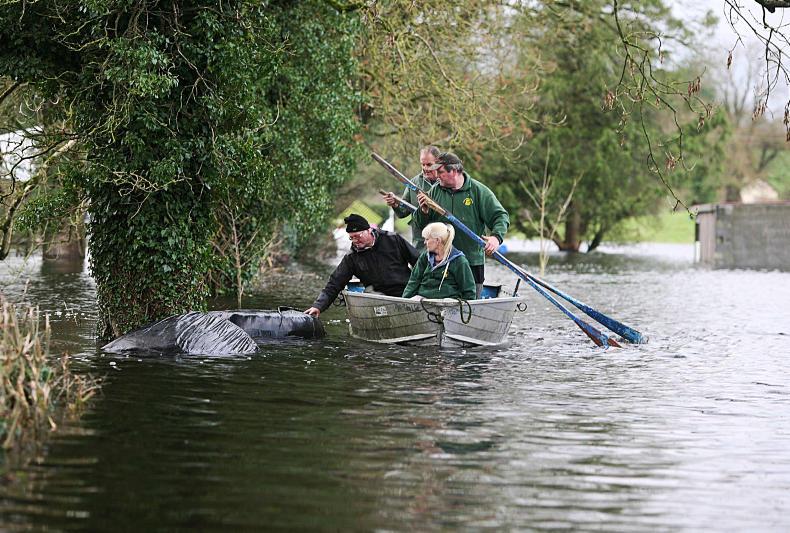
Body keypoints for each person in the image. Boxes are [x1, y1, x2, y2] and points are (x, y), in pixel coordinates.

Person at [414, 152, 509, 296]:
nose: (436, 176)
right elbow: (422, 225)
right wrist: (423, 211)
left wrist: (496, 238)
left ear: (454, 171)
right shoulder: (434, 192)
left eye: (440, 172)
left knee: (471, 304)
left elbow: (500, 216)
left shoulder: (478, 191)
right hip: (442, 262)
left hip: (471, 261)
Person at [304, 213, 420, 317]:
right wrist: (318, 306)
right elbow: (334, 283)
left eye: (358, 236)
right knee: (371, 296)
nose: (355, 241)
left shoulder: (393, 239)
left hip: (406, 290)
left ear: (368, 230)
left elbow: (419, 262)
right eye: (351, 238)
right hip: (379, 296)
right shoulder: (352, 257)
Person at [380, 145, 441, 250]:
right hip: (421, 244)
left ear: (438, 163)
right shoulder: (413, 183)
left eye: (429, 164)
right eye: (423, 164)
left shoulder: (446, 182)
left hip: (443, 242)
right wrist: (395, 204)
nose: (425, 168)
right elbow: (403, 212)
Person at [402, 222, 476, 300]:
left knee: (448, 302)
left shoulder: (460, 261)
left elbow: (469, 292)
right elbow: (414, 281)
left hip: (448, 304)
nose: (424, 242)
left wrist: (465, 308)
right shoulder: (424, 257)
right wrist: (404, 301)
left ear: (438, 240)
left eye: (427, 239)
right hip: (423, 301)